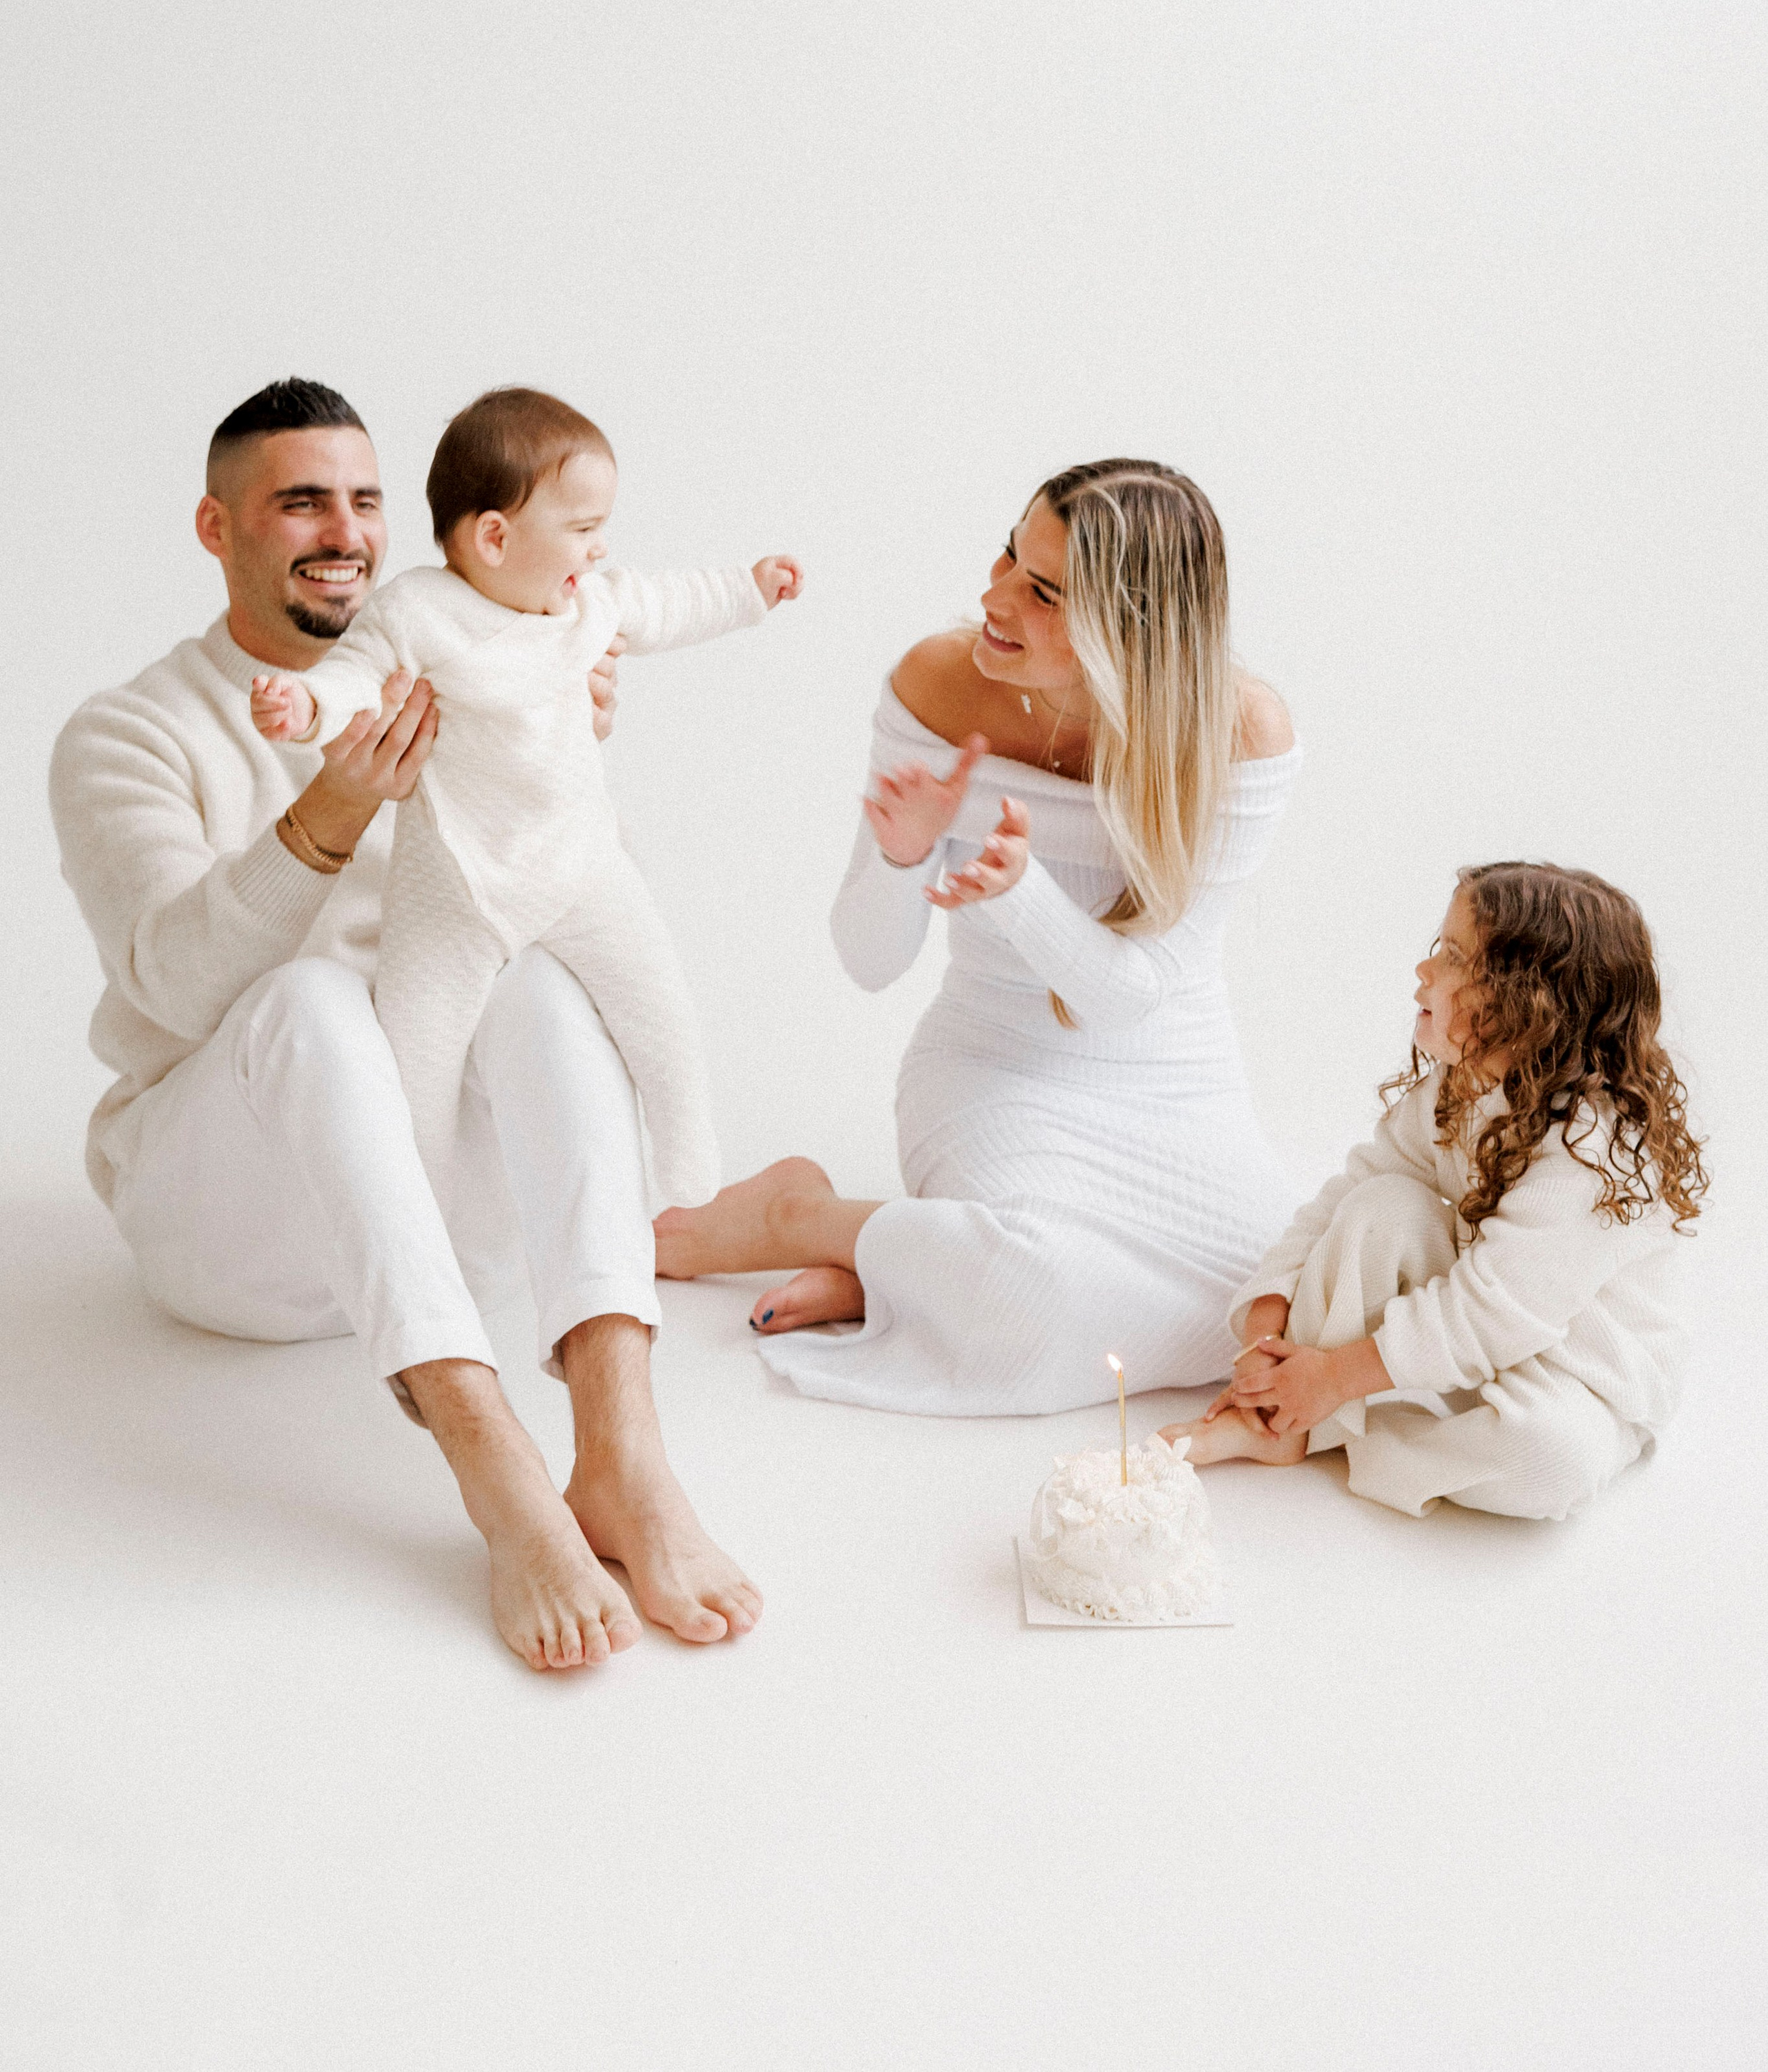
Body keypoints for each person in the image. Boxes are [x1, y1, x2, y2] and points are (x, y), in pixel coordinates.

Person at [48, 376, 762, 1671]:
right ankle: (499, 1475)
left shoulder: (477, 651)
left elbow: (581, 911)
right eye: (301, 502)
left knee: (541, 971)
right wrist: (327, 815)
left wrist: (552, 754)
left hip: (433, 1197)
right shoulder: (129, 733)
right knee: (308, 996)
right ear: (217, 527)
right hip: (235, 1227)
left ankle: (622, 1455)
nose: (346, 533)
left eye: (366, 500)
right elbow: (172, 987)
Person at [655, 457, 1303, 1415]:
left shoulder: (1240, 729)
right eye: (1009, 555)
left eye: (1043, 592)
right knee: (1036, 1292)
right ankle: (797, 1214)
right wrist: (905, 853)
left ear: (1130, 627)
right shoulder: (938, 683)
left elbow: (1129, 996)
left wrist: (1019, 890)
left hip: (1172, 1080)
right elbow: (869, 962)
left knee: (1274, 1306)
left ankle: (885, 1266)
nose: (994, 597)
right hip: (995, 1070)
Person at [249, 386, 802, 1208]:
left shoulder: (590, 602)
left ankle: (686, 1153)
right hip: (454, 881)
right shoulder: (418, 611)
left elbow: (670, 602)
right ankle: (426, 1205)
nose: (600, 547)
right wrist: (306, 706)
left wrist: (749, 589)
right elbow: (356, 675)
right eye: (582, 528)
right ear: (495, 538)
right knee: (415, 1053)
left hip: (579, 860)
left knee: (657, 1006)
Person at [1165, 863, 1707, 1519]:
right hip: (1482, 1337)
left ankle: (1328, 1420)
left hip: (1582, 1377)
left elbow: (1492, 1313)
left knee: (1549, 1456)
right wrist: (1266, 1324)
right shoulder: (1463, 1087)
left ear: (1526, 1005)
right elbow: (1347, 1194)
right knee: (1380, 1206)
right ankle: (1276, 1418)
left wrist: (1333, 1377)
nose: (1424, 969)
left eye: (1454, 956)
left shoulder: (1590, 1152)